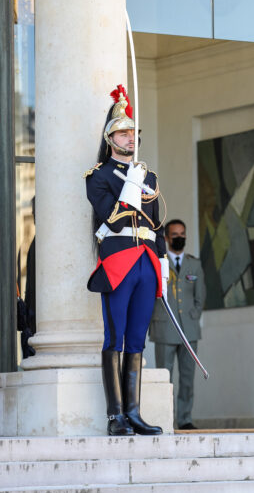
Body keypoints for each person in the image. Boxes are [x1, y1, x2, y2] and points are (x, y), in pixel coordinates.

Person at [84, 85, 167, 436]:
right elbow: (109, 216)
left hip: (146, 261)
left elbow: (157, 222)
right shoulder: (98, 177)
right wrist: (131, 185)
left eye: (133, 132)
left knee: (137, 338)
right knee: (115, 336)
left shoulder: (148, 176)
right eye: (123, 132)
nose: (130, 138)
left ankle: (133, 411)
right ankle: (114, 415)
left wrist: (161, 260)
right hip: (118, 259)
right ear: (110, 137)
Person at [150, 218, 205, 430]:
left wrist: (194, 315)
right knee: (165, 378)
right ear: (166, 237)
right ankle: (165, 419)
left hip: (189, 330)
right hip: (164, 327)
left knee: (188, 379)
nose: (180, 238)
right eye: (175, 235)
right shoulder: (158, 262)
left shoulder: (194, 263)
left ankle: (184, 419)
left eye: (183, 234)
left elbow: (200, 296)